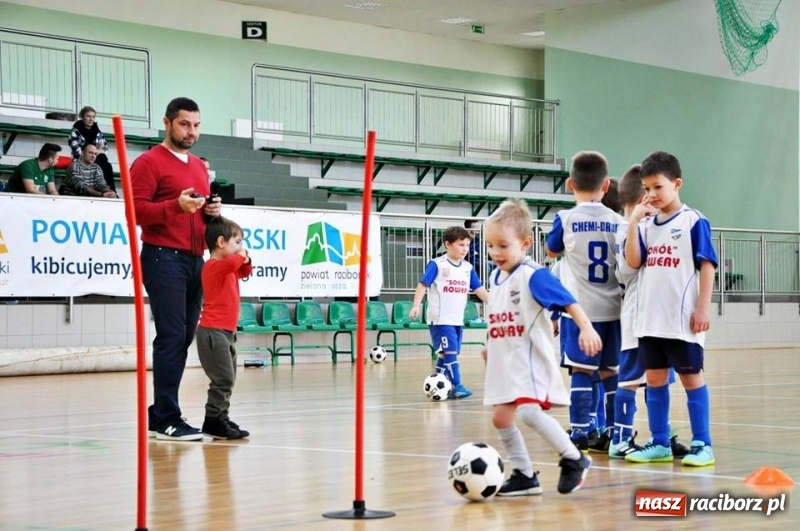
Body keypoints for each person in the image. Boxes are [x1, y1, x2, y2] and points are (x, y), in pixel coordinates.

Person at [482, 198, 599, 496]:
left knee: (529, 413)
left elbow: (569, 300)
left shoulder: (534, 275)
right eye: (490, 245)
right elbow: (498, 317)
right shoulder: (496, 277)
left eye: (503, 245)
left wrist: (585, 327)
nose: (495, 252)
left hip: (529, 359)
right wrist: (489, 346)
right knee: (501, 418)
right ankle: (524, 475)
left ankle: (574, 458)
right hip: (505, 360)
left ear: (525, 243)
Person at [132, 97, 221, 441]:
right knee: (171, 336)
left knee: (182, 337)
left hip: (193, 258)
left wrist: (208, 212)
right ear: (167, 123)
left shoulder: (198, 165)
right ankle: (168, 416)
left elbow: (192, 211)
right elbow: (137, 211)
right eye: (185, 124)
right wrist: (175, 206)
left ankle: (159, 414)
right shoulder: (148, 163)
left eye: (197, 125)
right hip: (162, 256)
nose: (192, 132)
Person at [623, 151, 717, 466]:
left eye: (658, 187)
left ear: (677, 184)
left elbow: (707, 266)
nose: (651, 195)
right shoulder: (647, 224)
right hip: (650, 320)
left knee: (692, 379)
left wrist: (703, 308)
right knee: (654, 380)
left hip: (681, 321)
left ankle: (703, 444)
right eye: (646, 189)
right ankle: (660, 442)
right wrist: (634, 222)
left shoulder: (694, 220)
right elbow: (633, 262)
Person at [545, 151, 623, 451]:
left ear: (569, 184)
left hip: (580, 314)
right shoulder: (618, 221)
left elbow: (552, 252)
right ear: (606, 186)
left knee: (581, 371)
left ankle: (580, 432)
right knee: (609, 373)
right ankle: (615, 431)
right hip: (613, 311)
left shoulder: (564, 219)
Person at [409, 226, 489, 399]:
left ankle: (439, 383)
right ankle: (457, 385)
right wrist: (416, 305)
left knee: (446, 354)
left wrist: (496, 303)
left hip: (457, 319)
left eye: (467, 245)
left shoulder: (467, 268)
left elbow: (479, 289)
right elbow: (423, 285)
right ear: (448, 244)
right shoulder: (437, 264)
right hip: (440, 319)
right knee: (450, 352)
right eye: (461, 245)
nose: (465, 249)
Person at [197, 216, 252, 440]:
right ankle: (212, 420)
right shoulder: (212, 267)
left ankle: (221, 416)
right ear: (221, 242)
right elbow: (233, 264)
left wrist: (245, 260)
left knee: (229, 378)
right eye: (237, 242)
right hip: (213, 332)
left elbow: (244, 271)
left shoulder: (228, 268)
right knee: (223, 379)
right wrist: (241, 257)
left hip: (226, 332)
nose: (241, 247)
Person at [68, 106, 116, 192]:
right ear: (82, 117)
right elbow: (78, 152)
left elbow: (105, 150)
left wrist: (92, 152)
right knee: (102, 161)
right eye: (88, 116)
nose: (91, 119)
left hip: (96, 159)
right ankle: (103, 191)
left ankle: (110, 191)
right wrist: (97, 150)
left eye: (93, 117)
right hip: (80, 161)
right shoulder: (75, 131)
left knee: (107, 164)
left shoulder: (97, 131)